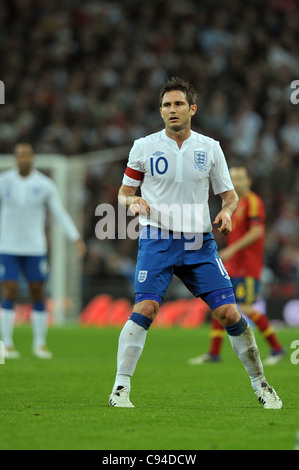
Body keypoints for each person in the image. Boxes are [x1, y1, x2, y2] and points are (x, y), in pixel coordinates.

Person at [108, 77, 282, 409]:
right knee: (145, 308)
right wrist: (132, 203)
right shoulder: (143, 147)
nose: (172, 110)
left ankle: (261, 384)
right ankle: (120, 388)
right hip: (157, 238)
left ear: (192, 109)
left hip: (199, 243)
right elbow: (123, 193)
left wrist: (228, 212)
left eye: (178, 104)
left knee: (230, 313)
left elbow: (229, 196)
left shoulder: (210, 148)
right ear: (160, 111)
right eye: (166, 105)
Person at [188, 166, 285, 366]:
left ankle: (277, 348)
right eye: (234, 179)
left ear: (249, 181)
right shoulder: (232, 204)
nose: (237, 182)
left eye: (241, 178)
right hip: (231, 266)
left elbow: (257, 232)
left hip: (247, 267)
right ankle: (214, 353)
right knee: (219, 304)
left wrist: (233, 250)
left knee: (247, 308)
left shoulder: (253, 202)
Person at [0, 143, 86, 359]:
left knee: (37, 292)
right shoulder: (4, 182)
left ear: (33, 158)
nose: (23, 159)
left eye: (27, 155)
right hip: (8, 246)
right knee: (9, 290)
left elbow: (59, 212)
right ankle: (7, 343)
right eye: (20, 155)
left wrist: (75, 237)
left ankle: (40, 343)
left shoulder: (44, 184)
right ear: (15, 158)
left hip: (35, 248)